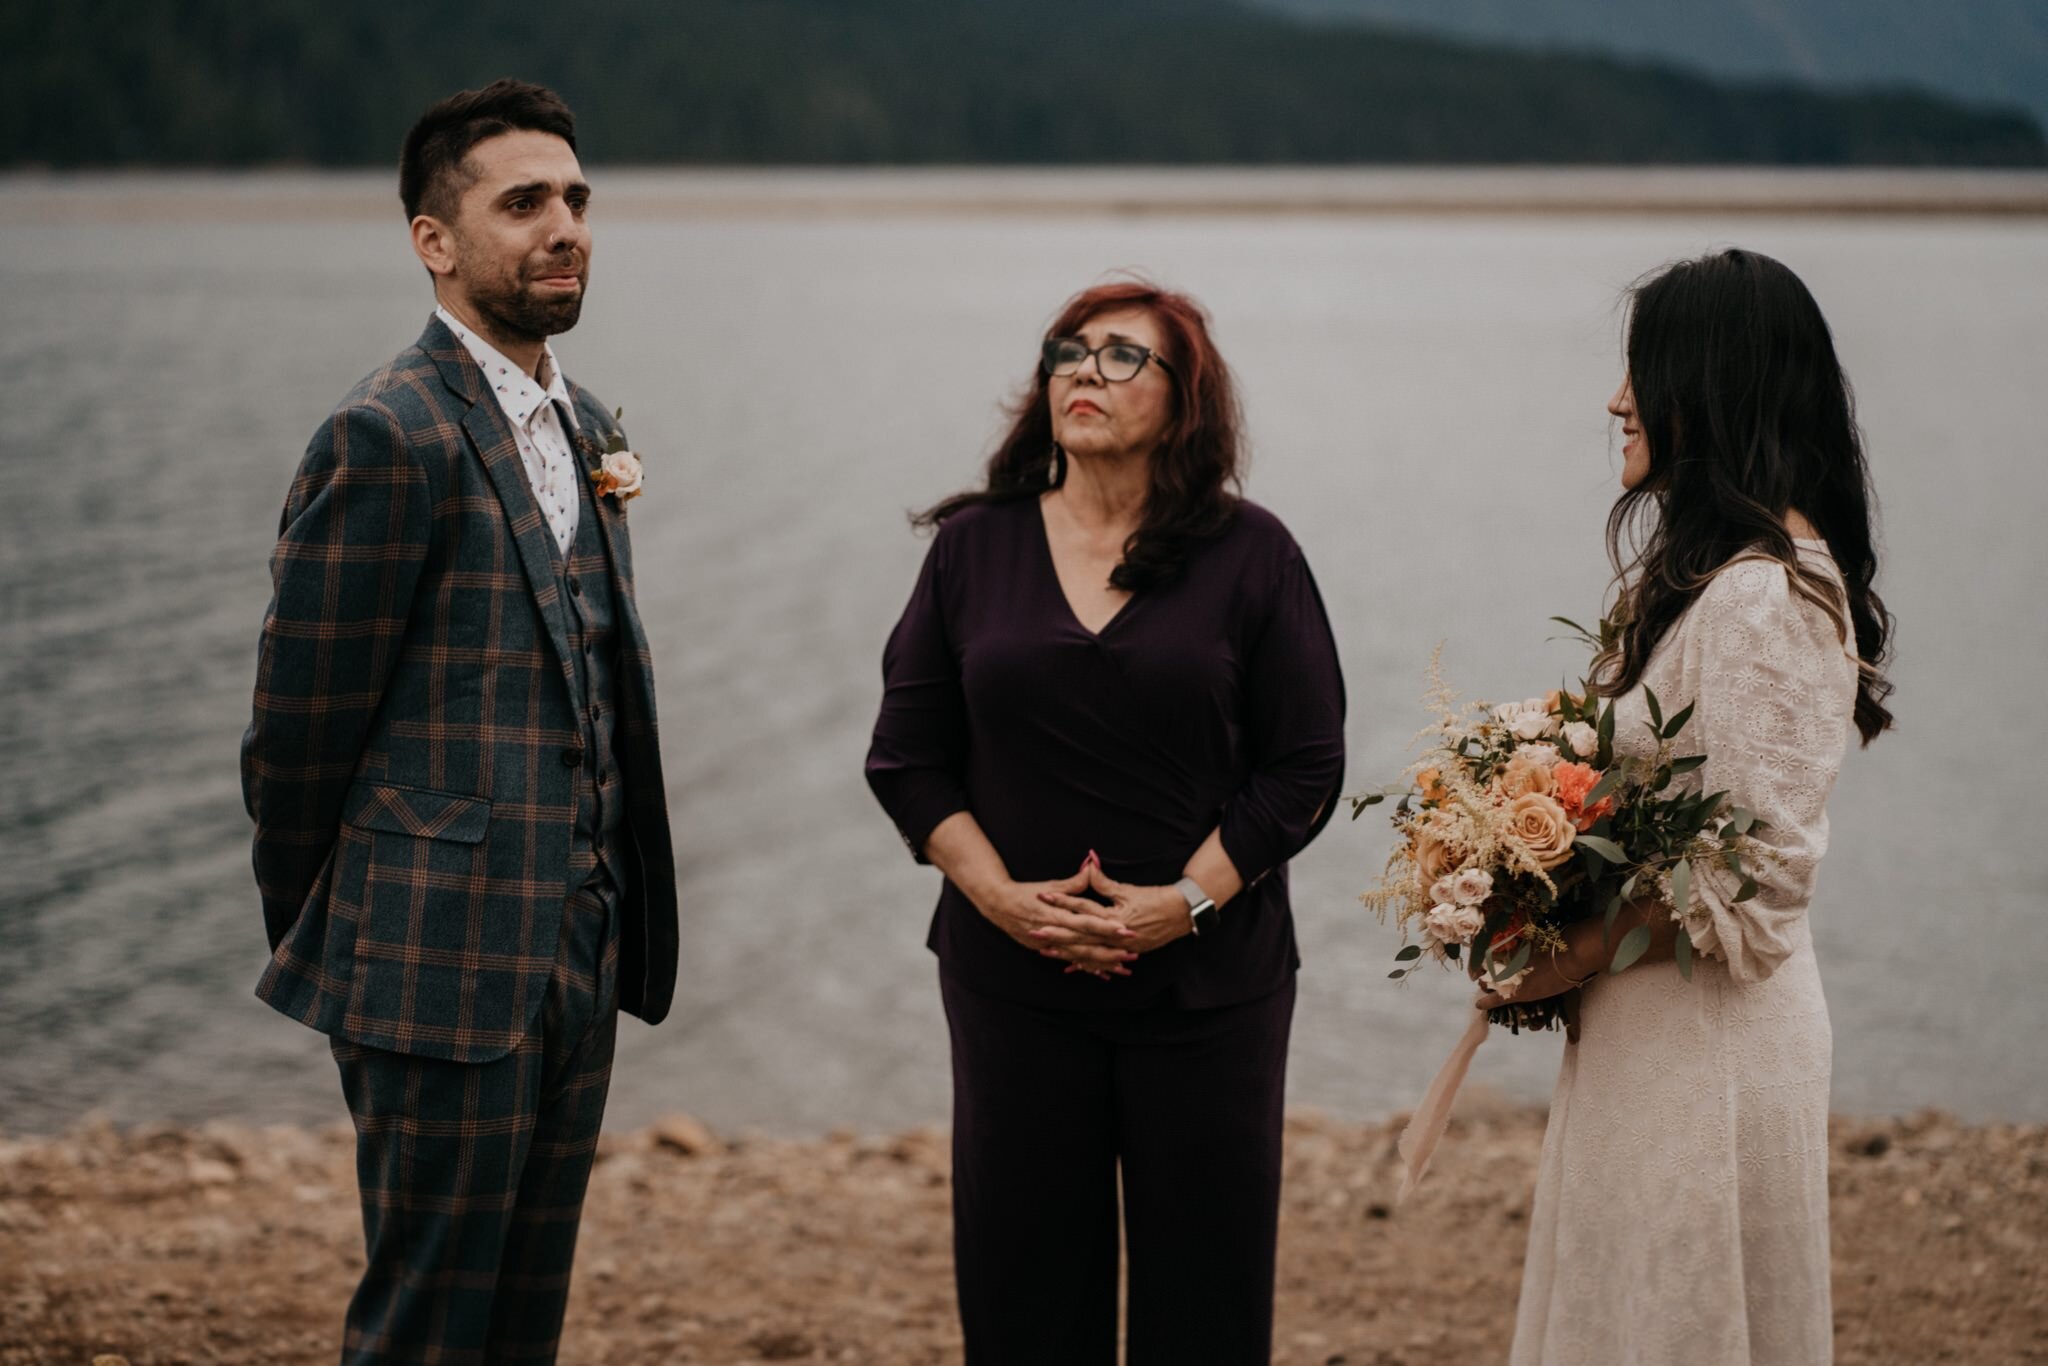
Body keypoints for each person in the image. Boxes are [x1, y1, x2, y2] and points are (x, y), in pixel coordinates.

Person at [240, 78, 678, 1364]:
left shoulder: (588, 423)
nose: (566, 228)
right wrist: (358, 946)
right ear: (434, 239)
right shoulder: (386, 433)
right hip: (430, 962)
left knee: (523, 1311)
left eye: (579, 200)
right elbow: (296, 735)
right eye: (524, 202)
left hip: (579, 944)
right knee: (427, 1319)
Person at [865, 279, 1346, 1365]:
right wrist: (999, 901)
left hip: (1209, 984)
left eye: (1124, 356)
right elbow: (906, 759)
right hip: (1012, 984)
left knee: (1206, 1291)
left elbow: (1304, 763)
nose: (1084, 370)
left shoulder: (1252, 554)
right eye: (1068, 351)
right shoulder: (970, 550)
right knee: (1022, 1284)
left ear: (1183, 407)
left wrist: (1183, 903)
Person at [1478, 249, 1895, 1365]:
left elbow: (1748, 881)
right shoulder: (1729, 578)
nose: (1616, 399)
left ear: (1708, 383)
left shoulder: (1761, 598)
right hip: (1656, 1024)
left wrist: (1556, 956)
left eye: (1640, 371)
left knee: (1675, 1324)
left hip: (1704, 1041)